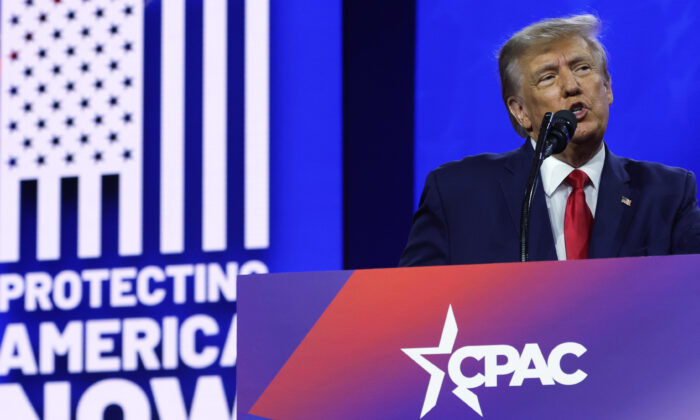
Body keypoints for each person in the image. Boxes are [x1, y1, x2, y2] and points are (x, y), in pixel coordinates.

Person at [400, 14, 700, 266]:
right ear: (520, 112)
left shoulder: (667, 194)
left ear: (607, 88)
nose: (571, 85)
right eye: (548, 77)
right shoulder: (458, 194)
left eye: (583, 68)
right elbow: (412, 309)